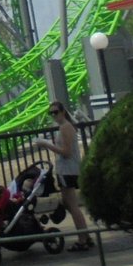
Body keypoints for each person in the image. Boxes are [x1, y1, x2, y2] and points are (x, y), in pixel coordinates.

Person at [36, 100, 93, 251]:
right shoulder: (64, 127)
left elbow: (66, 152)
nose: (53, 115)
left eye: (56, 112)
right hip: (67, 170)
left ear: (63, 112)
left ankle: (82, 240)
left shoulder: (66, 127)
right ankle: (85, 236)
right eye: (51, 113)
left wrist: (46, 145)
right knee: (69, 204)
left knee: (72, 206)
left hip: (67, 171)